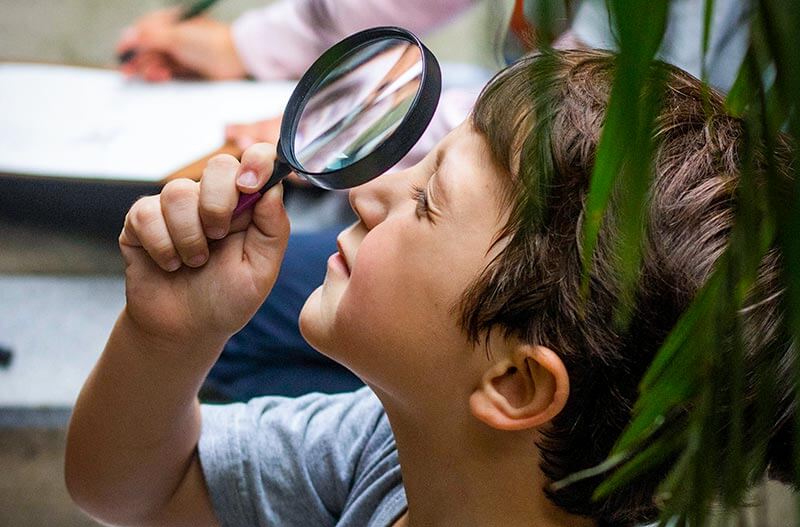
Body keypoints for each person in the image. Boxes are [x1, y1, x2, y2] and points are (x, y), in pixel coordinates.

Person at [65, 50, 794, 527]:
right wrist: (168, 337)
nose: (369, 193)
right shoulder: (388, 458)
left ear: (514, 382)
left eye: (425, 200)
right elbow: (134, 487)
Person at [115, 0, 753, 401]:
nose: (367, 196)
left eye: (424, 198)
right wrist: (244, 47)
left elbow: (595, 110)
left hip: (615, 244)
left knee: (240, 330)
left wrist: (352, 130)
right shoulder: (333, 456)